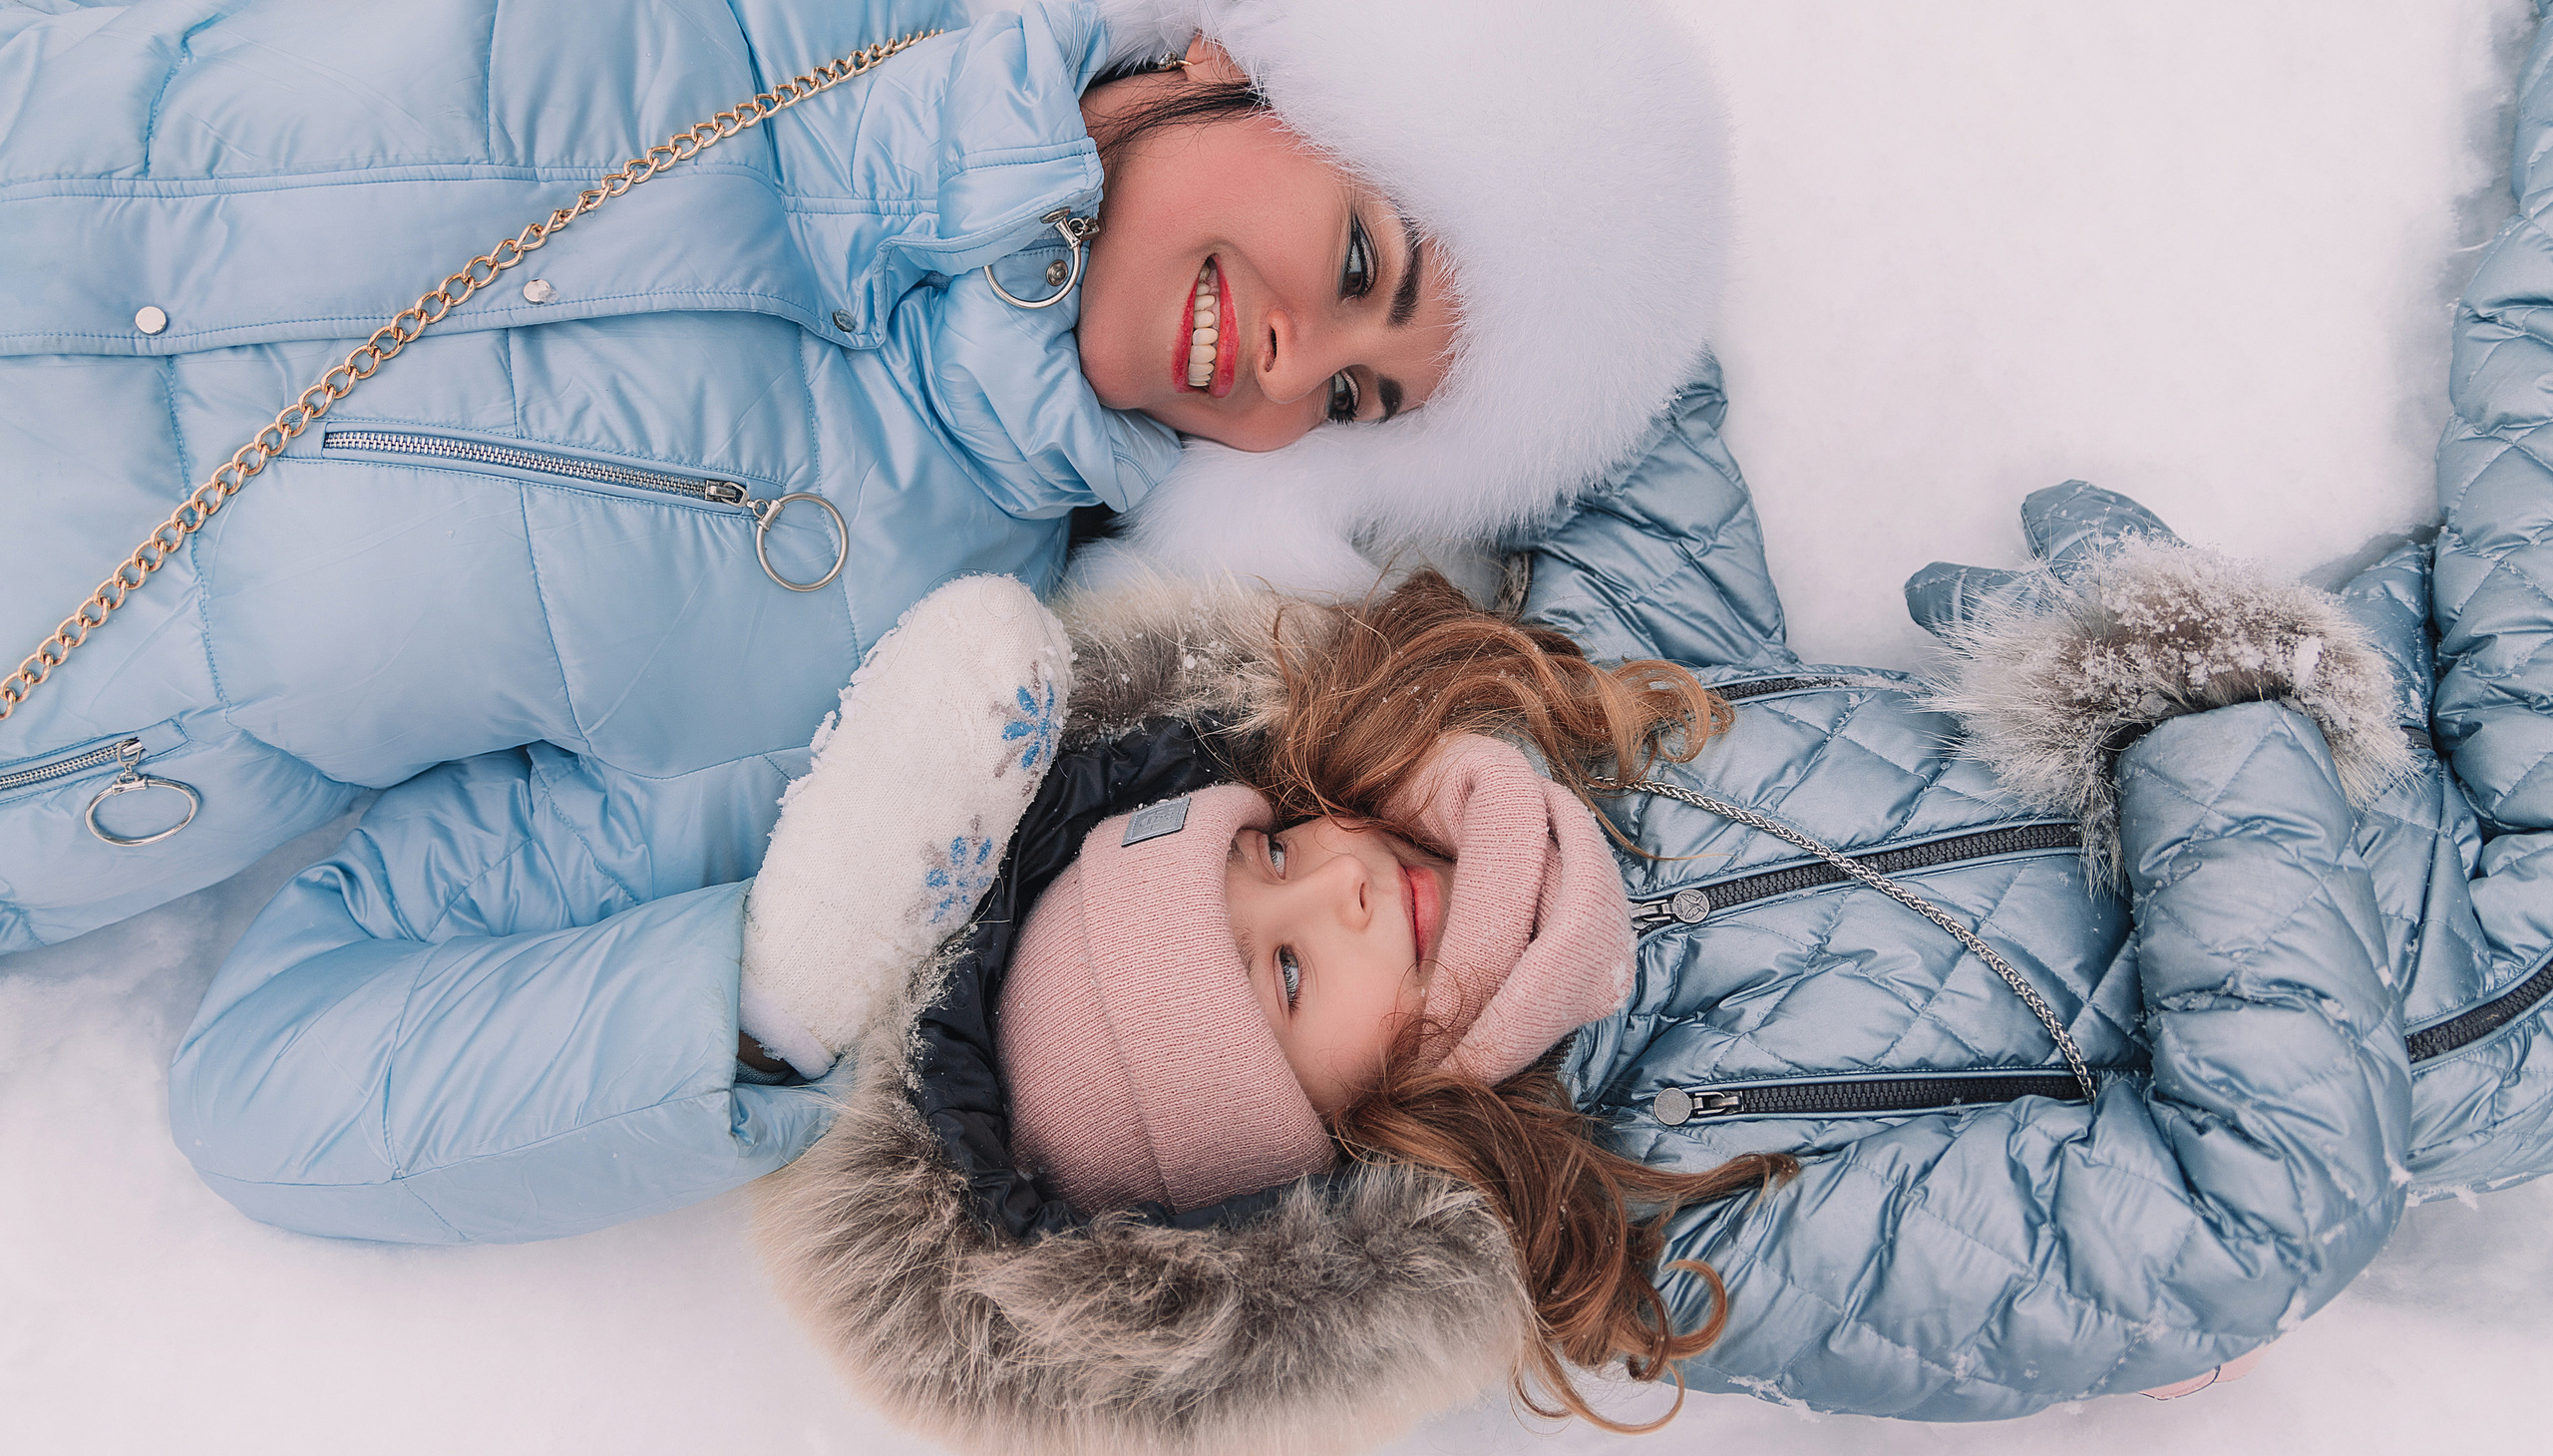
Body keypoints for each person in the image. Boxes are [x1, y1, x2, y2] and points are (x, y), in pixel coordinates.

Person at [750, 194, 2553, 1447]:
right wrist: (2205, 722)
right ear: (1325, 1155)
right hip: (2499, 960)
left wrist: (1400, 22)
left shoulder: (1565, 741)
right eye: (1290, 982)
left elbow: (1620, 408)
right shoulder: (1683, 1227)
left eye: (1267, 859)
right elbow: (2246, 1219)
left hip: (2402, 663)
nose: (1348, 897)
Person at [0, 0, 1724, 954]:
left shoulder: (905, 648)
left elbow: (296, 1069)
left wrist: (765, 1024)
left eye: (1356, 402)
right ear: (1243, 52)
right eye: (1361, 262)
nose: (1290, 367)